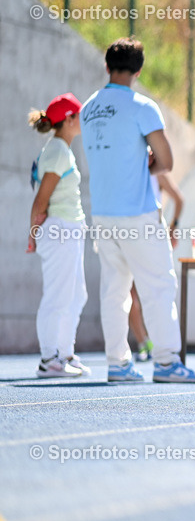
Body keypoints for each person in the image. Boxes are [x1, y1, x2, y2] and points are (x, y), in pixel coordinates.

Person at [80, 37, 195, 383]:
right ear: (139, 70)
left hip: (103, 215)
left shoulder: (87, 108)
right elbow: (165, 161)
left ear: (107, 66)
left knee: (114, 291)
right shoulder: (142, 106)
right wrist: (144, 168)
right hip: (137, 213)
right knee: (158, 287)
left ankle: (118, 364)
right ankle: (166, 362)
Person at [26, 93, 90, 378]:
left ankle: (64, 354)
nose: (82, 120)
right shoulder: (58, 151)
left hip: (69, 229)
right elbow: (41, 199)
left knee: (76, 295)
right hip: (60, 230)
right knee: (58, 296)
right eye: (79, 115)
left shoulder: (61, 149)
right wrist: (33, 234)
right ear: (69, 119)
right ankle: (49, 360)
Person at [129, 160, 185, 362]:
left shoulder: (155, 168)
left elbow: (179, 199)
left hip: (151, 235)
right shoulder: (129, 166)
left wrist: (173, 227)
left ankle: (166, 350)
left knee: (157, 290)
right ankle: (145, 343)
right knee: (128, 294)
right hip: (130, 234)